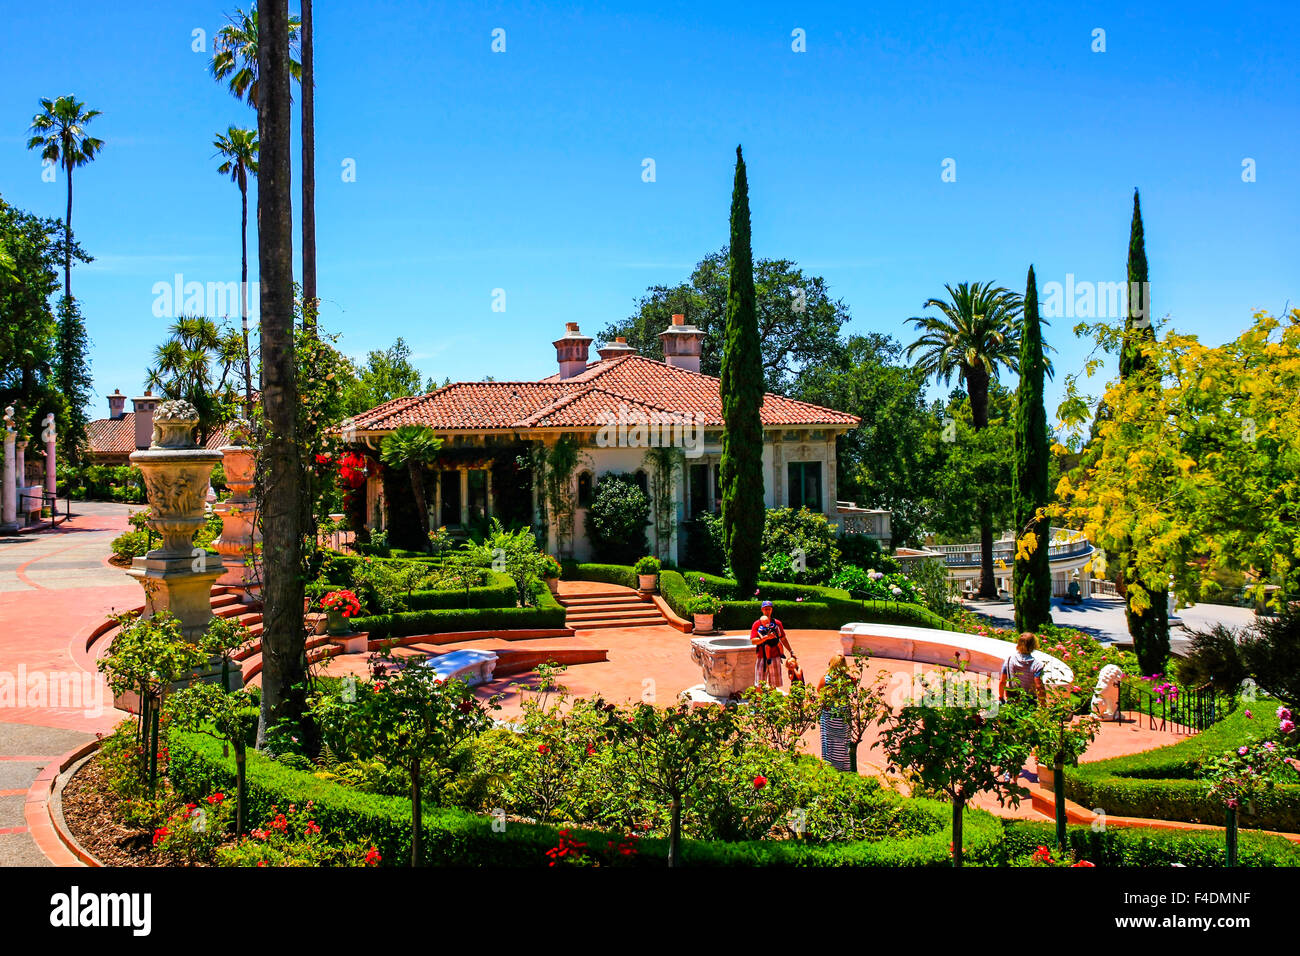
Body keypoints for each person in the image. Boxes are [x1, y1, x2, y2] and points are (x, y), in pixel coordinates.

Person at [817, 654, 853, 771]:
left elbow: (819, 692)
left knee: (829, 742)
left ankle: (830, 769)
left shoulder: (826, 679)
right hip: (843, 715)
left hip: (829, 715)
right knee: (842, 743)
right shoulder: (848, 679)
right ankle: (843, 769)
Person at [749, 600, 794, 688]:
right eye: (765, 609)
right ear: (762, 610)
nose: (767, 611)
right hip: (762, 656)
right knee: (759, 685)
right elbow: (753, 641)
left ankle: (772, 701)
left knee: (774, 685)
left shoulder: (777, 623)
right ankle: (759, 701)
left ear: (772, 610)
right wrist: (766, 638)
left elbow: (783, 639)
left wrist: (790, 651)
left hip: (775, 656)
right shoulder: (757, 624)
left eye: (769, 609)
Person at [999, 633, 1047, 706]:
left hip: (1013, 699)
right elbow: (1039, 687)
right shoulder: (1037, 665)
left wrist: (1001, 697)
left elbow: (1002, 681)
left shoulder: (1009, 660)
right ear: (1034, 645)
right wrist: (1043, 706)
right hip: (1029, 702)